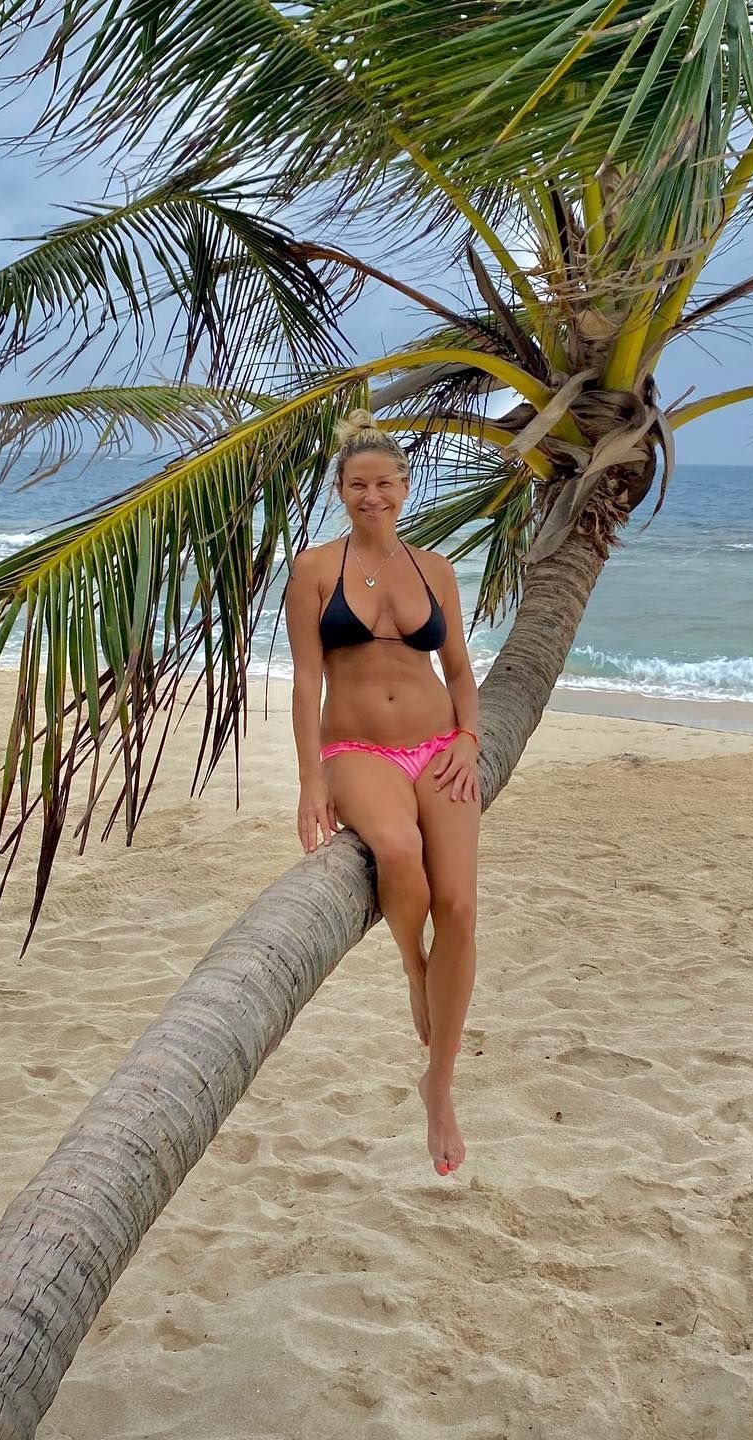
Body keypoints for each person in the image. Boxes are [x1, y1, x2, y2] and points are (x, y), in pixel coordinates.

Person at [284, 409, 482, 1178]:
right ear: (340, 491)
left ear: (405, 487)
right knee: (398, 849)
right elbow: (306, 681)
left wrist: (468, 737)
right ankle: (413, 966)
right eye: (357, 485)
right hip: (357, 750)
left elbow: (459, 670)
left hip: (438, 745)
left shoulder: (436, 570)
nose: (373, 496)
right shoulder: (314, 570)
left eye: (385, 483)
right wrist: (311, 778)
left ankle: (440, 1085)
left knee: (459, 904)